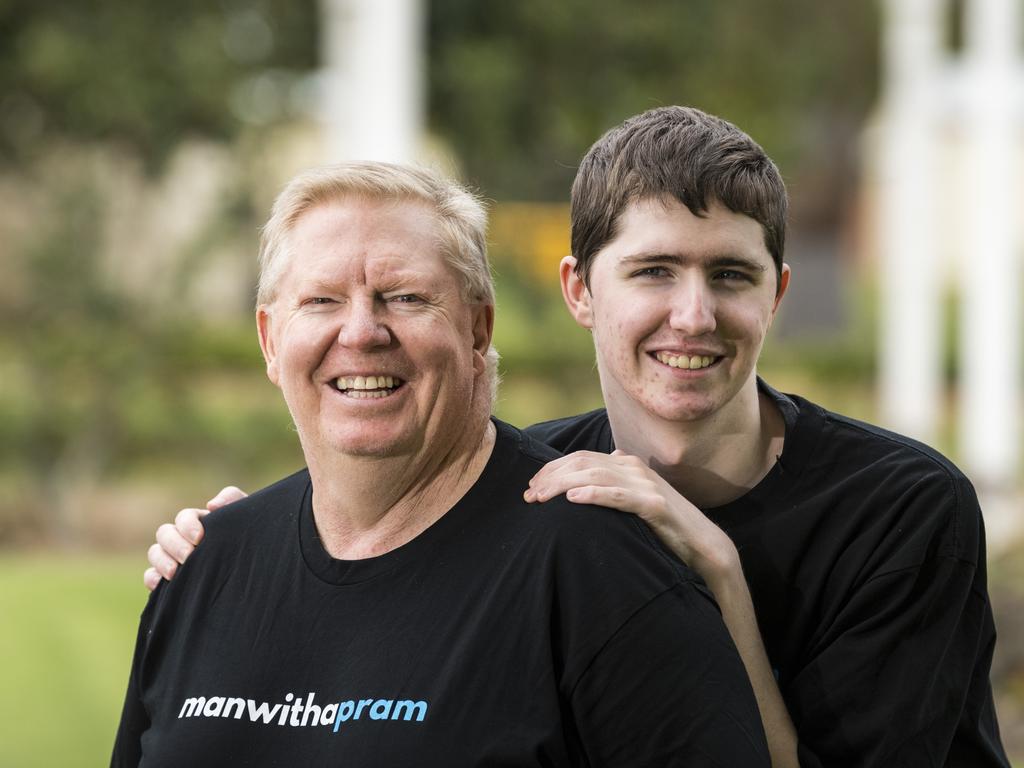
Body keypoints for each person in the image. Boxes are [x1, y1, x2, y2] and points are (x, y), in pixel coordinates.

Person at [144, 108, 1011, 767]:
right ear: (578, 290)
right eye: (654, 271)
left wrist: (720, 574)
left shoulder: (900, 510)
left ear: (776, 295)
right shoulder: (555, 484)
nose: (693, 314)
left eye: (731, 275)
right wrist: (244, 553)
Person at [112, 161, 770, 766]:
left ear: (479, 331)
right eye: (322, 301)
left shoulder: (598, 571)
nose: (363, 332)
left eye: (404, 297)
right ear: (270, 341)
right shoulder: (202, 569)